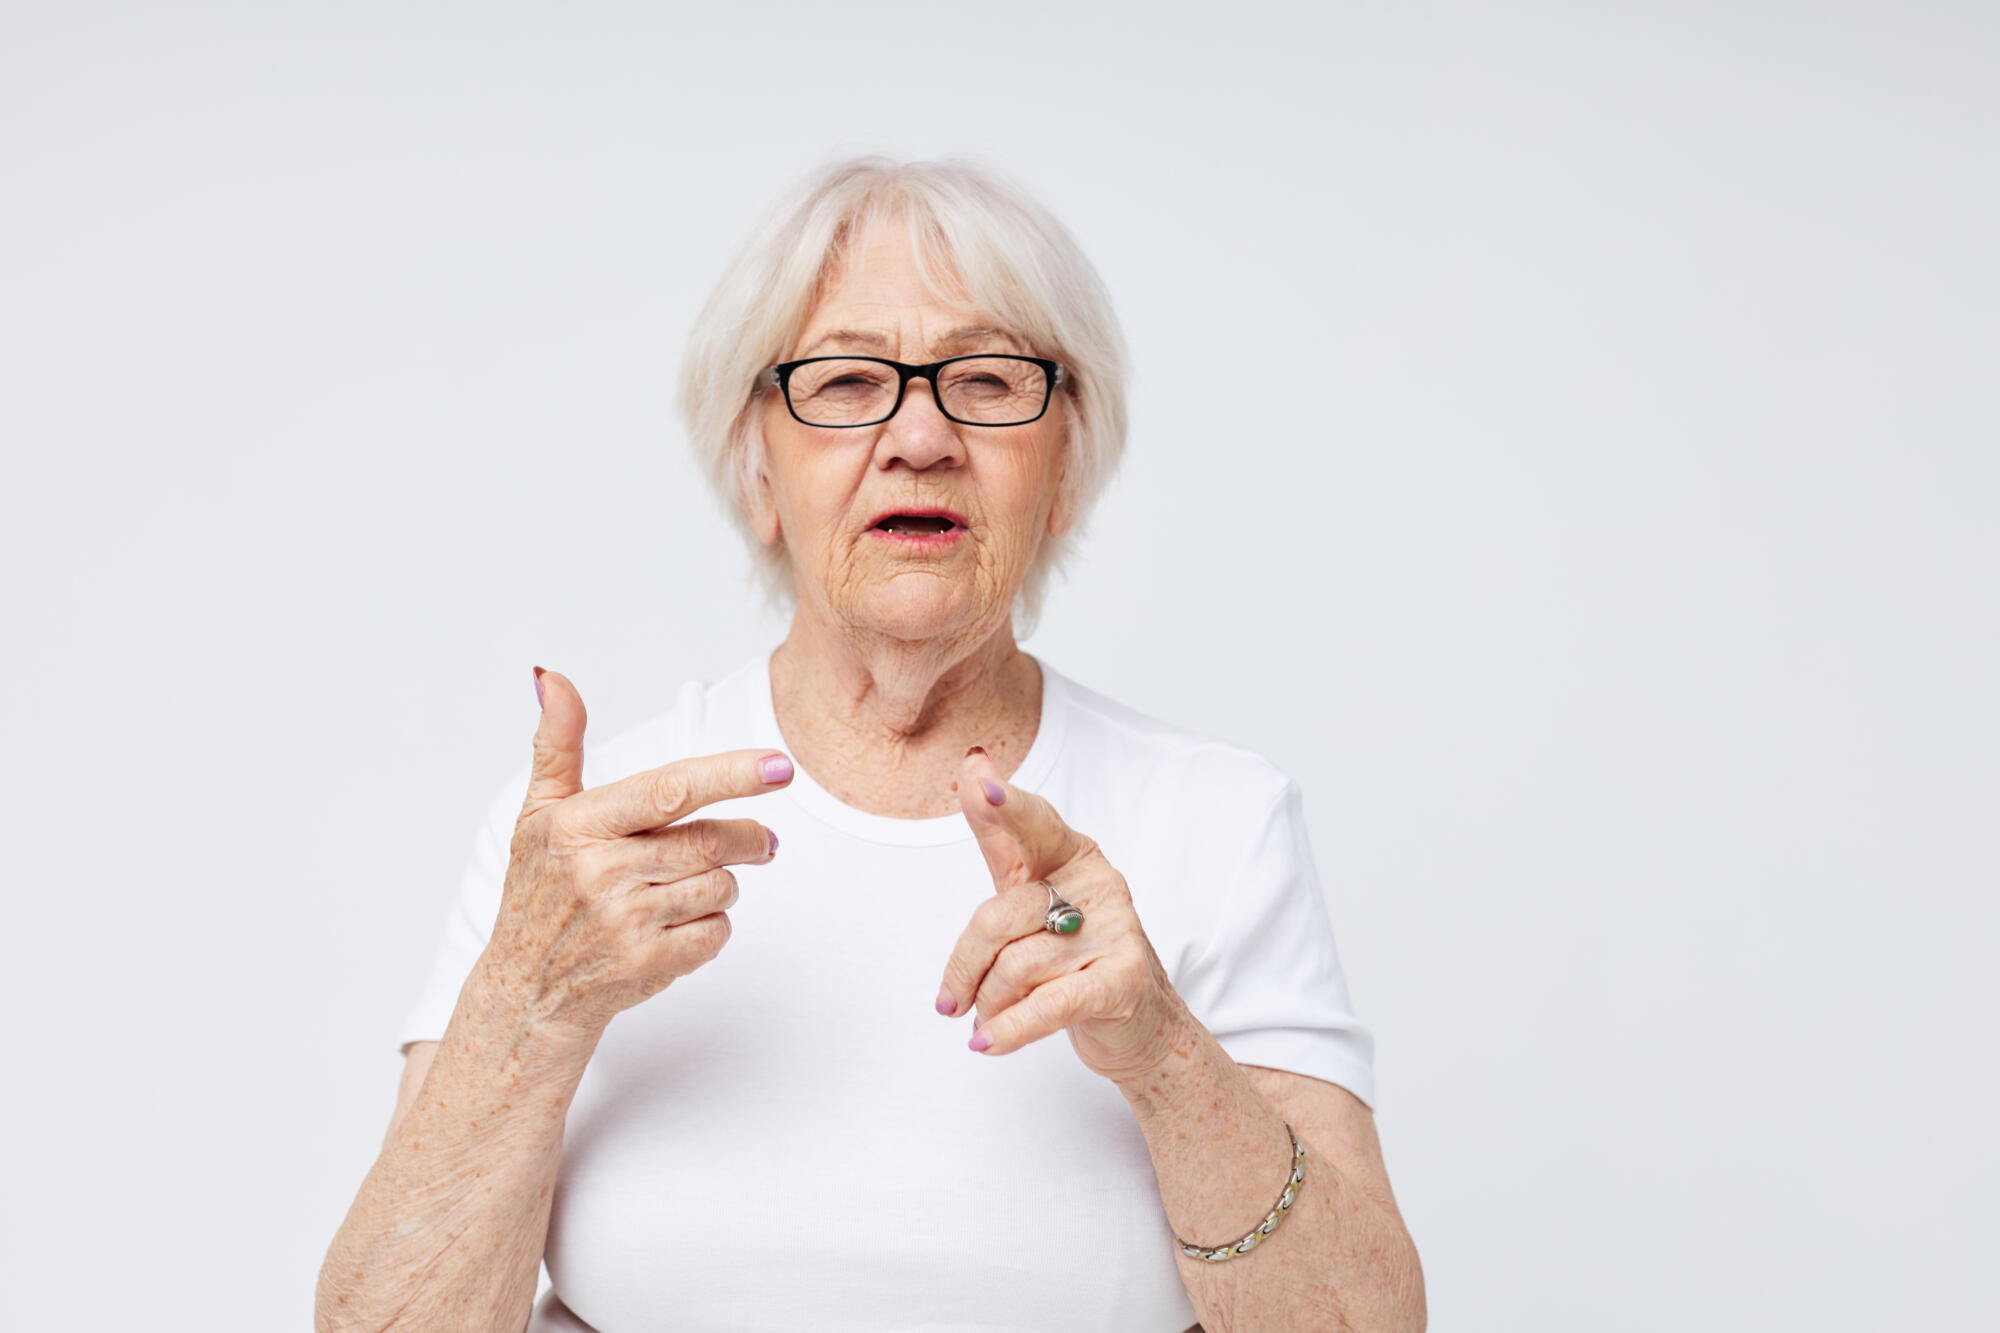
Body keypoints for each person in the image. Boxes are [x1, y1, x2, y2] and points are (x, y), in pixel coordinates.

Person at [316, 155, 1425, 1333]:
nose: (920, 433)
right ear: (757, 467)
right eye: (845, 382)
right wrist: (526, 1003)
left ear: (1064, 465)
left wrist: (1163, 1054)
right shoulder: (584, 838)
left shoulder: (1216, 820)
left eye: (987, 379)